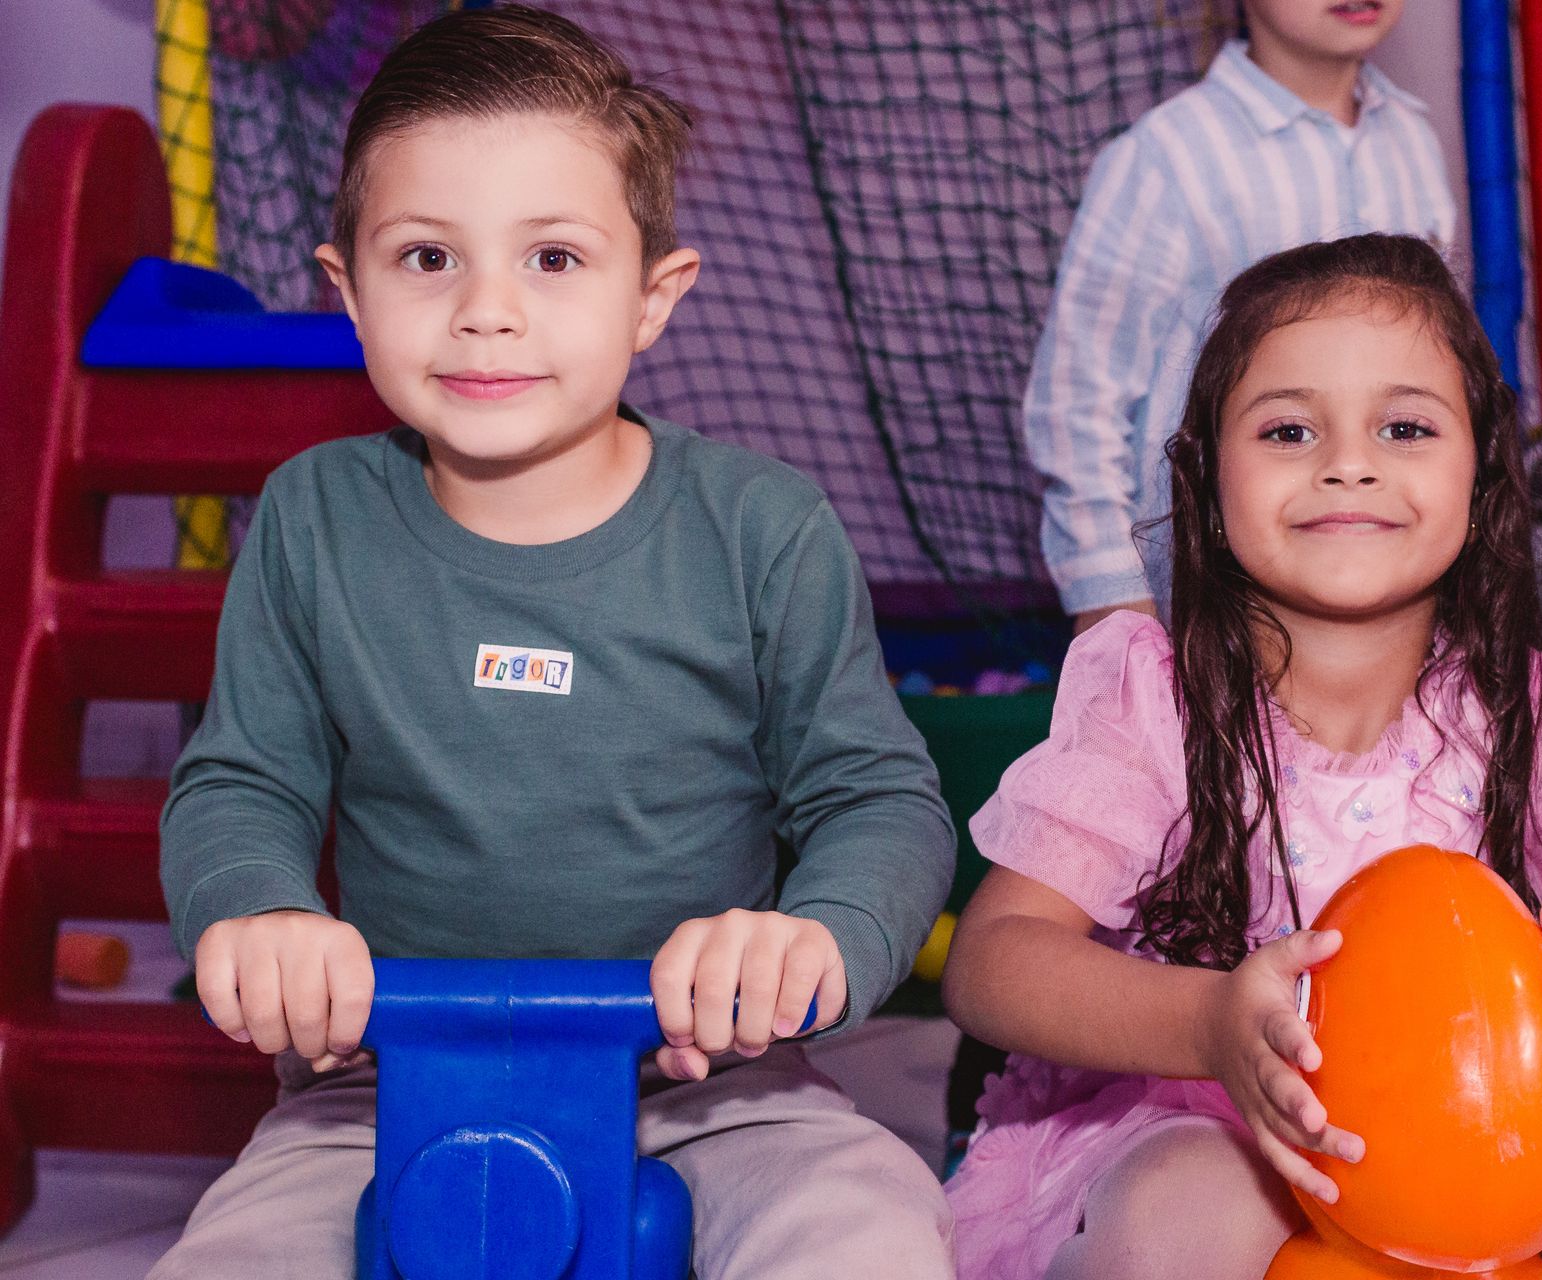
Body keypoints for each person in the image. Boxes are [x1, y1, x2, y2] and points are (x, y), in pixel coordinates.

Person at [151, 8, 956, 1277]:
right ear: (347, 291)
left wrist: (815, 937)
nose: (485, 313)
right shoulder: (313, 515)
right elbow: (240, 780)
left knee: (866, 1229)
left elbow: (881, 797)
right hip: (382, 1075)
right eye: (426, 257)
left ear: (655, 295)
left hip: (710, 1077)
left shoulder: (762, 527)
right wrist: (254, 908)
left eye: (554, 260)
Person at [943, 234, 1542, 1280]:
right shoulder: (1156, 706)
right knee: (1183, 1212)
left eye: (1405, 425)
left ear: (1482, 471)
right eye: (1288, 428)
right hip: (1202, 1112)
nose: (1348, 460)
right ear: (1204, 475)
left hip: (1477, 1133)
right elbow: (994, 958)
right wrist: (1207, 1024)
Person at [1026, 0, 1455, 635]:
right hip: (1218, 593)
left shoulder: (1412, 138)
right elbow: (1079, 398)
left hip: (1384, 571)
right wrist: (1109, 589)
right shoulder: (1167, 157)